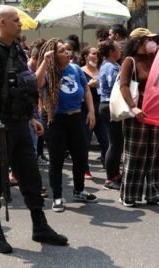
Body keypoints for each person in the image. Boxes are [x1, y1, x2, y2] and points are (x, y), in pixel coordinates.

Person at [0, 6, 67, 253]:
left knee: (31, 177)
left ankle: (39, 226)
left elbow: (26, 85)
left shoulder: (18, 52)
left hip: (21, 125)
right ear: (2, 23)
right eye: (15, 20)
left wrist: (32, 117)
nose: (20, 23)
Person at [36, 38, 97, 213]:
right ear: (54, 55)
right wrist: (45, 62)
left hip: (76, 117)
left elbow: (86, 90)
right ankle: (57, 196)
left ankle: (79, 190)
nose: (67, 53)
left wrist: (91, 111)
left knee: (80, 156)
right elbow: (37, 84)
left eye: (67, 50)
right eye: (62, 51)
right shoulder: (48, 71)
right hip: (55, 120)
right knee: (56, 160)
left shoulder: (76, 69)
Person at [118, 28, 159, 208]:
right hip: (136, 114)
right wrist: (133, 107)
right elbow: (123, 86)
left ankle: (155, 194)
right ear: (139, 42)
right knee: (135, 155)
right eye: (149, 39)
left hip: (156, 113)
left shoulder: (156, 59)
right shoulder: (129, 61)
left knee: (155, 155)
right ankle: (128, 195)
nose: (153, 42)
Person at [98, 39, 123, 190]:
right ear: (111, 52)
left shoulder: (113, 65)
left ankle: (116, 173)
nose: (120, 50)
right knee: (114, 143)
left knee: (118, 142)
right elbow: (116, 85)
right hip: (109, 105)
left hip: (111, 105)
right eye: (118, 48)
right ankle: (110, 177)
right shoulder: (109, 67)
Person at [81, 46, 108, 179]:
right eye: (93, 54)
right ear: (86, 57)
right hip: (86, 110)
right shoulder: (80, 71)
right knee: (85, 141)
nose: (96, 56)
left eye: (97, 54)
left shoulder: (101, 71)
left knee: (105, 140)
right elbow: (77, 89)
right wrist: (89, 85)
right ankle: (84, 169)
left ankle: (109, 167)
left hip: (100, 109)